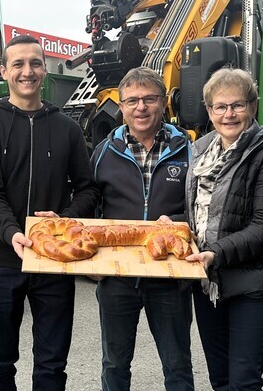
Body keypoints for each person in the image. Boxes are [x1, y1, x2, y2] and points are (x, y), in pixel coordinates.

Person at [0, 34, 99, 390]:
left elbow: (87, 188)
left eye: (35, 63)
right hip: (1, 260)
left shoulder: (68, 129)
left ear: (45, 70)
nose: (27, 71)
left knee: (52, 364)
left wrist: (65, 219)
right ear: (4, 71)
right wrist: (13, 232)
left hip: (54, 262)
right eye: (18, 64)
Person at [183, 67, 263, 390]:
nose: (228, 114)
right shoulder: (201, 151)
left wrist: (213, 254)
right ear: (209, 111)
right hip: (209, 284)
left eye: (238, 105)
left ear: (253, 107)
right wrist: (177, 226)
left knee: (243, 382)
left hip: (254, 282)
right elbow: (199, 213)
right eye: (220, 106)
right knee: (220, 380)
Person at [89, 66, 194, 391]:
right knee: (115, 364)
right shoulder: (103, 153)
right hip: (117, 280)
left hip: (170, 278)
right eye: (132, 100)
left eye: (149, 99)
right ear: (121, 107)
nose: (141, 107)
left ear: (164, 103)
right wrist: (91, 265)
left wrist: (182, 228)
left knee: (177, 365)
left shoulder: (190, 149)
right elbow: (90, 208)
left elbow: (203, 207)